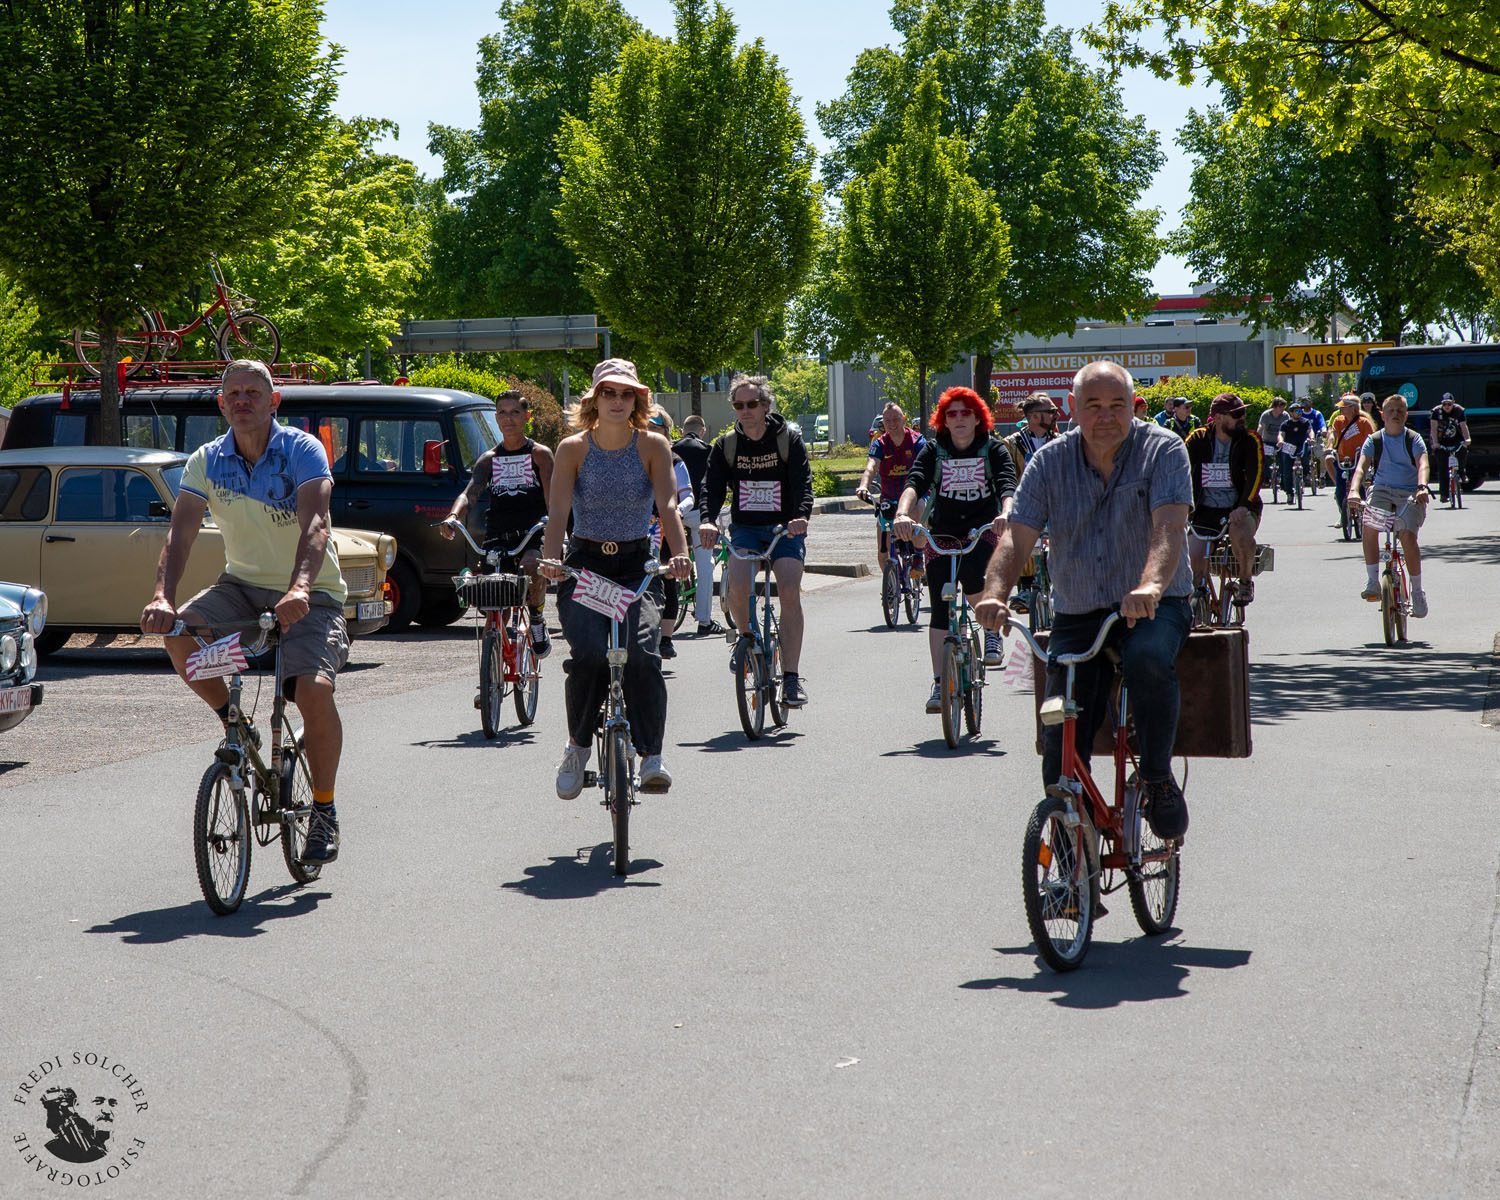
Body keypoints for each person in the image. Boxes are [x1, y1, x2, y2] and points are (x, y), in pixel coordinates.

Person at [976, 359, 1194, 841]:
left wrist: (1151, 585)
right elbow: (1017, 539)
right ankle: (1075, 846)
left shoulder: (1164, 448)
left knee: (1150, 657)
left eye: (1117, 405)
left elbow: (1168, 526)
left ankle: (1157, 777)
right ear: (1072, 409)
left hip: (1154, 604)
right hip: (1079, 609)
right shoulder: (1048, 461)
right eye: (1093, 405)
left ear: (1133, 407)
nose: (1106, 415)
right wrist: (995, 595)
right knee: (1059, 728)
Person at [142, 360, 349, 864]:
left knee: (312, 690)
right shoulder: (206, 461)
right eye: (232, 393)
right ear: (221, 403)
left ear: (273, 401)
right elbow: (182, 533)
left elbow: (316, 525)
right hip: (242, 586)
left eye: (253, 392)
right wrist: (162, 597)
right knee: (179, 634)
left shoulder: (302, 450)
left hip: (312, 593)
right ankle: (233, 720)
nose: (242, 400)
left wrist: (300, 587)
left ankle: (324, 810)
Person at [540, 359, 691, 797]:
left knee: (642, 656)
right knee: (589, 657)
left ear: (638, 401)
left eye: (627, 394)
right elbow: (558, 515)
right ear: (593, 398)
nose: (618, 401)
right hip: (586, 565)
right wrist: (552, 561)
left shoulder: (653, 445)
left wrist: (678, 555)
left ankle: (652, 757)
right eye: (609, 393)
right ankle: (577, 746)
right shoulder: (572, 448)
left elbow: (667, 507)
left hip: (635, 567)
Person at [892, 386, 1017, 713]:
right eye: (952, 413)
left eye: (966, 413)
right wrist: (903, 514)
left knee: (975, 575)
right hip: (943, 534)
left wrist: (1005, 512)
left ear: (978, 417)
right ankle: (938, 682)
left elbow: (1007, 484)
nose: (959, 419)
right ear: (943, 419)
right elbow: (914, 482)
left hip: (983, 530)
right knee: (939, 605)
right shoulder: (935, 450)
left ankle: (990, 631)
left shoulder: (993, 449)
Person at [699, 374, 815, 709]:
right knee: (737, 584)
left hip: (785, 529)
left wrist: (801, 516)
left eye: (752, 404)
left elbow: (802, 483)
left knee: (790, 589)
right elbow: (712, 487)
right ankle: (746, 638)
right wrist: (708, 520)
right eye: (739, 405)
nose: (745, 410)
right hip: (746, 529)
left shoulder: (787, 440)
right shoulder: (726, 445)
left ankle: (791, 678)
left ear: (765, 405)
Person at [440, 388, 554, 660]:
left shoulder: (540, 454)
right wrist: (453, 516)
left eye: (515, 412)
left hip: (532, 534)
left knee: (530, 565)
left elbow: (553, 499)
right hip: (497, 536)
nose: (508, 418)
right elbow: (469, 493)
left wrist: (554, 532)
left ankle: (537, 620)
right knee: (491, 597)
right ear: (496, 418)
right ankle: (491, 675)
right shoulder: (489, 459)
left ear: (527, 416)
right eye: (502, 412)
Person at [1348, 393, 1431, 616]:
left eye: (1400, 411)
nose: (1395, 415)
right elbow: (1361, 468)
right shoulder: (1374, 440)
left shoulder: (1413, 439)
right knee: (1369, 526)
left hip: (1409, 494)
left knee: (1407, 536)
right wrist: (1354, 490)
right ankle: (1372, 581)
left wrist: (1422, 486)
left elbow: (1423, 463)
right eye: (1391, 411)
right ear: (1383, 415)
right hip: (1382, 491)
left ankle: (1417, 593)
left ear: (1406, 416)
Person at [1183, 393, 1263, 603]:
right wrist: (1182, 506)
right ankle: (1199, 600)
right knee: (1192, 555)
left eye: (1242, 413)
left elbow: (1256, 475)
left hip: (1240, 508)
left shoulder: (1250, 440)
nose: (1242, 417)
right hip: (1205, 510)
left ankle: (1245, 582)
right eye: (1236, 414)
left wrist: (1244, 506)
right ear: (1217, 418)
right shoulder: (1197, 439)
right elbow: (1178, 473)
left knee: (1242, 537)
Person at [856, 401, 927, 580]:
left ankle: (918, 555)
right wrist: (864, 486)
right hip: (890, 497)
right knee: (883, 550)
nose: (892, 424)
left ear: (904, 419)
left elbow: (926, 466)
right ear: (883, 423)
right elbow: (871, 467)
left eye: (896, 419)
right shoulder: (880, 444)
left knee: (918, 510)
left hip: (915, 494)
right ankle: (892, 585)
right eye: (888, 421)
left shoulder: (917, 441)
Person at [647, 406, 696, 659]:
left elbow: (688, 496)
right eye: (645, 429)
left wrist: (676, 512)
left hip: (666, 528)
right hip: (640, 528)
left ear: (667, 432)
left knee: (668, 581)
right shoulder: (634, 457)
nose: (650, 434)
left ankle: (666, 639)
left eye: (655, 429)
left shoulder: (675, 461)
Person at [672, 414, 722, 636]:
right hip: (698, 515)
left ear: (682, 431)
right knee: (706, 567)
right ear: (702, 431)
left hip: (672, 513)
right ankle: (704, 620)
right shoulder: (708, 450)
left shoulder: (671, 450)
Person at [1324, 392, 1375, 515]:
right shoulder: (1338, 420)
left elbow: (1371, 440)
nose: (1340, 409)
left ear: (1352, 408)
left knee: (1358, 487)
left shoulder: (1364, 422)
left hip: (1358, 459)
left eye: (1344, 406)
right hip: (1342, 459)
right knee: (1340, 490)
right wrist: (1330, 446)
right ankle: (1344, 514)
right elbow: (1333, 435)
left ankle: (1364, 515)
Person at [40, 1087, 114, 1164]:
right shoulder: (54, 1150)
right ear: (76, 1105)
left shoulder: (106, 1144)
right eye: (98, 1102)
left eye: (112, 1103)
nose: (107, 1111)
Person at [1002, 392, 1060, 477]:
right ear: (1035, 416)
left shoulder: (1060, 442)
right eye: (1052, 411)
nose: (1057, 415)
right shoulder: (1010, 445)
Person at [1429, 391, 1471, 503]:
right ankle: (1444, 494)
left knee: (1463, 451)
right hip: (1442, 441)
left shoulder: (1459, 411)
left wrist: (1467, 439)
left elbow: (1463, 426)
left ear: (1453, 403)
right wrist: (1435, 443)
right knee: (1442, 467)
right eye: (1444, 404)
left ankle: (1462, 473)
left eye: (1449, 404)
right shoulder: (1436, 412)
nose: (1447, 406)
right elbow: (1433, 428)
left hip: (1456, 440)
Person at [1275, 399, 1316, 500]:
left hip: (1301, 446)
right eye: (1297, 411)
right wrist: (1280, 441)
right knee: (1286, 470)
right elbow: (1281, 434)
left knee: (1305, 459)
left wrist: (1312, 438)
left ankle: (1305, 475)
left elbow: (1310, 431)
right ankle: (1289, 493)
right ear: (1291, 413)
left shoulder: (1305, 422)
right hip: (1289, 447)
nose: (1299, 413)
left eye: (1300, 411)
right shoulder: (1285, 424)